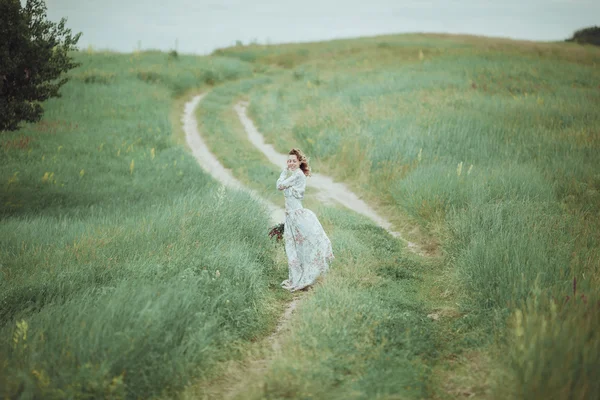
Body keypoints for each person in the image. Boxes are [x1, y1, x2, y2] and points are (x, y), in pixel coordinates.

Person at [276, 148, 334, 292]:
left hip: (298, 216)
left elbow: (279, 186)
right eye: (289, 161)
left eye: (293, 161)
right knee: (293, 249)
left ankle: (312, 273)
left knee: (308, 244)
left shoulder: (298, 175)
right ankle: (299, 275)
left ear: (299, 162)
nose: (291, 163)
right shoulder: (294, 175)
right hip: (290, 218)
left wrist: (284, 171)